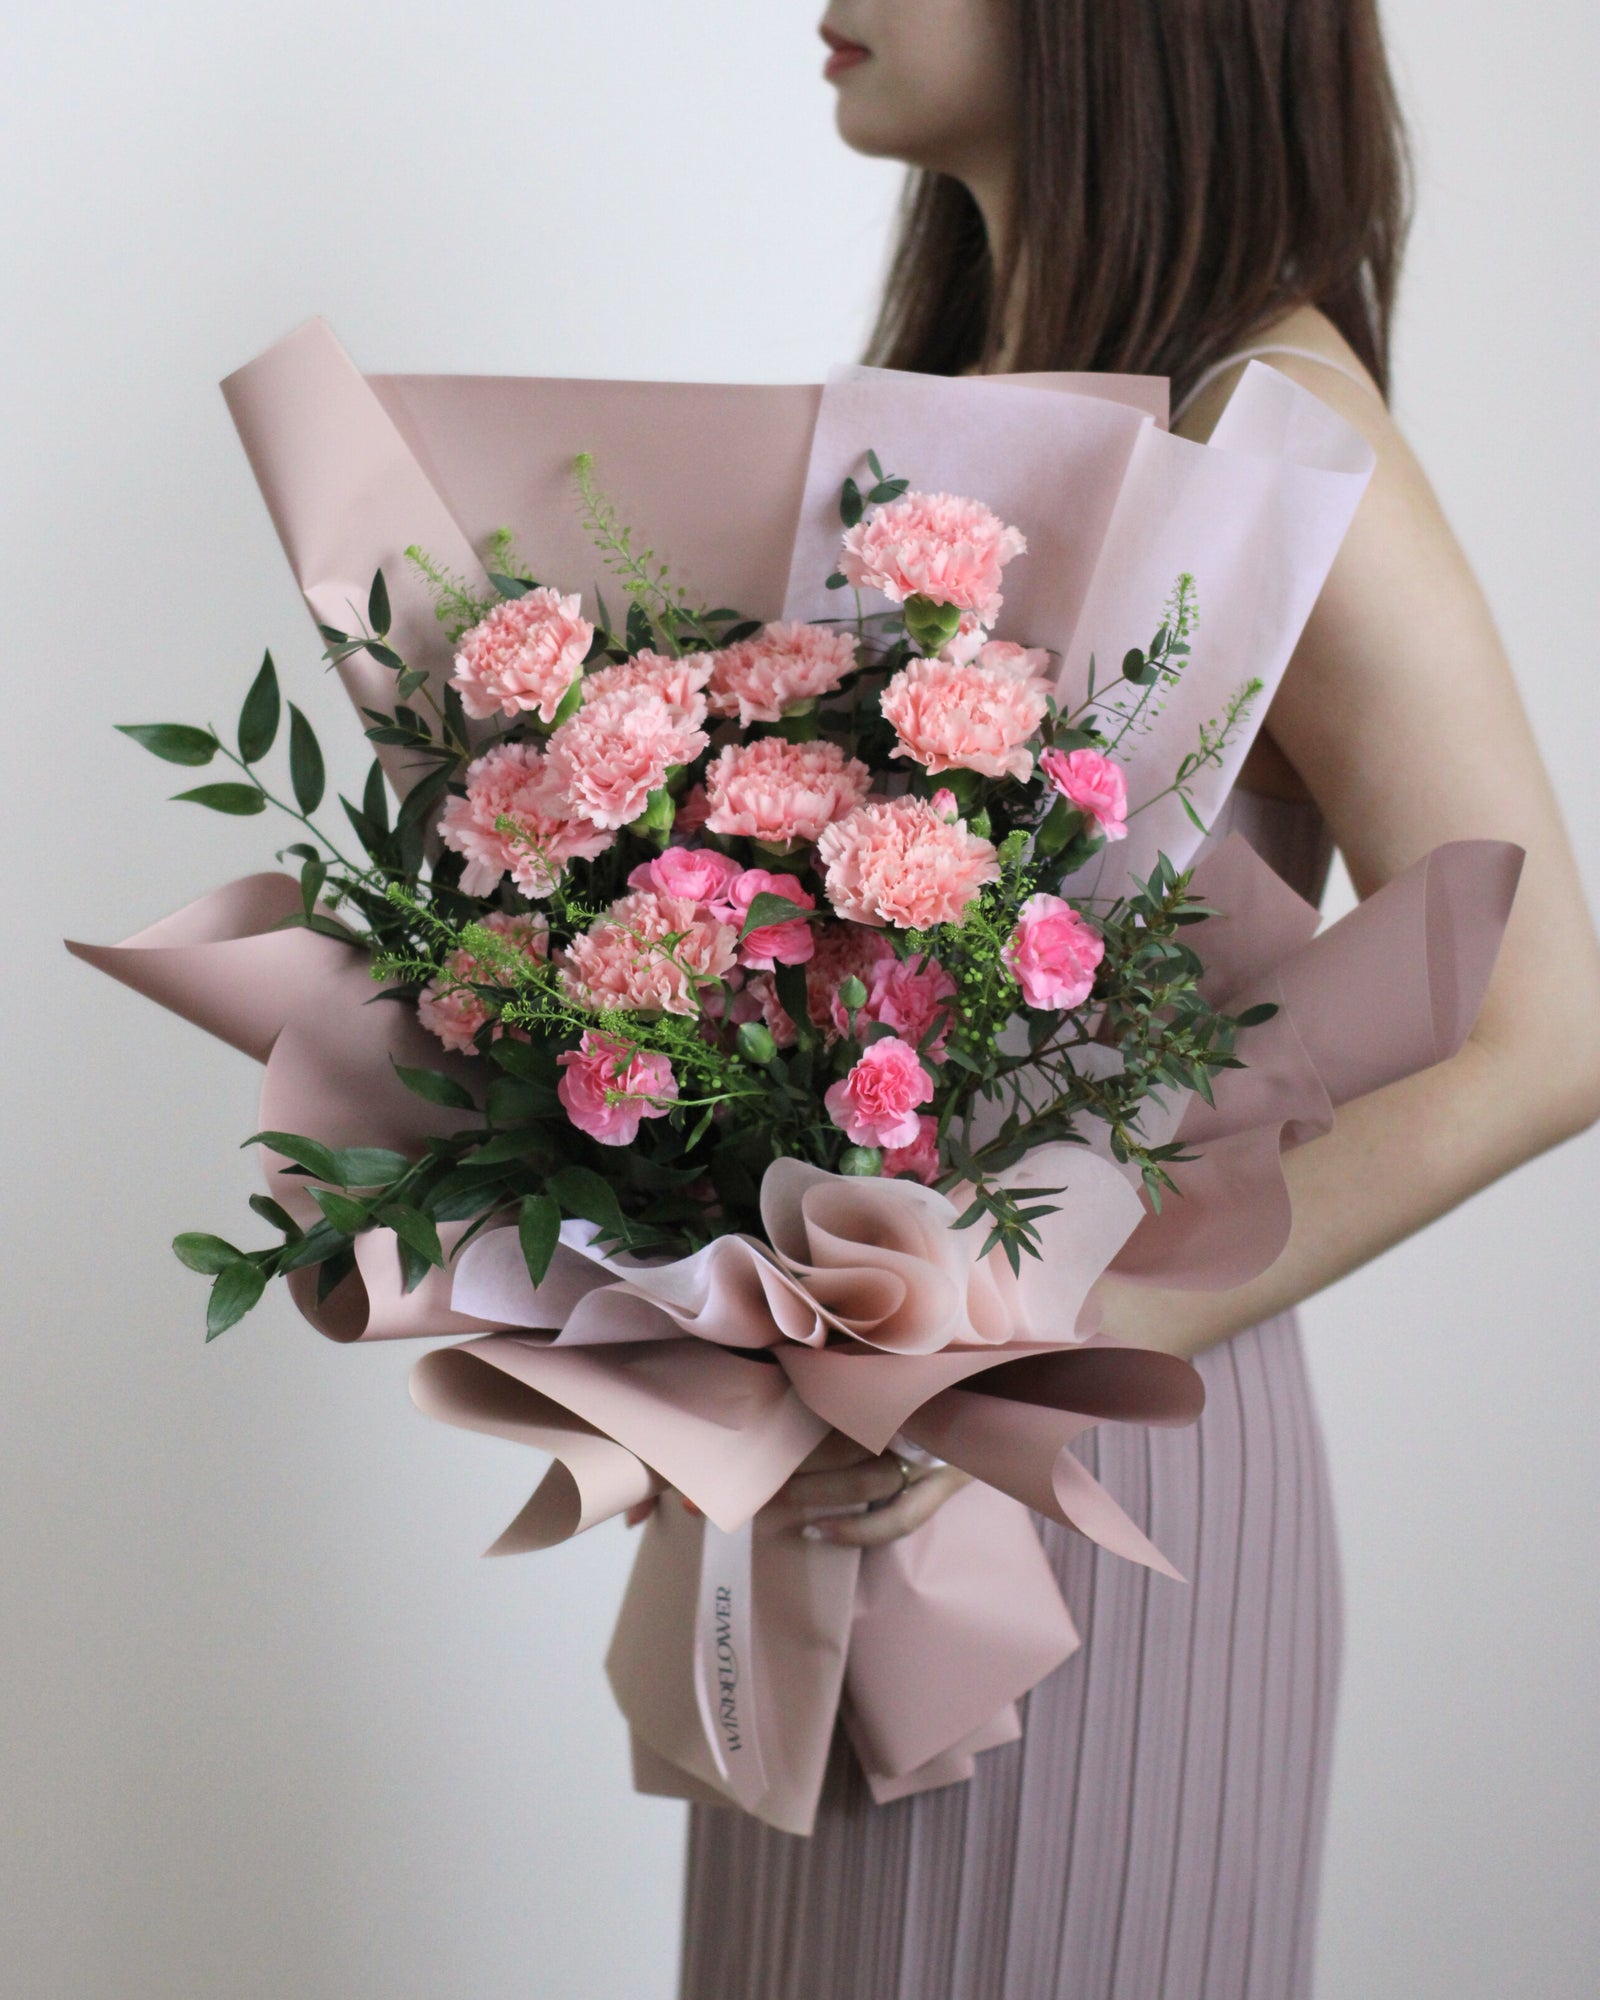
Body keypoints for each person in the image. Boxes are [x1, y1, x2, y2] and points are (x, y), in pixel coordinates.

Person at [674, 6, 1600, 1995]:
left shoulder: (1277, 426)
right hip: (844, 1468)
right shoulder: (959, 397)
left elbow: (1548, 1028)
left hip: (1083, 1477)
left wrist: (1029, 1339)